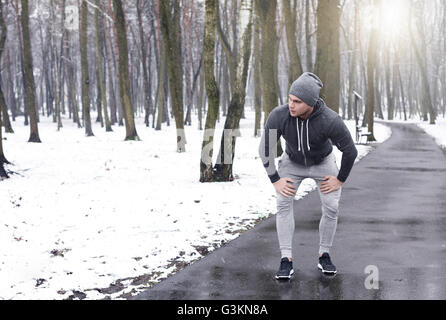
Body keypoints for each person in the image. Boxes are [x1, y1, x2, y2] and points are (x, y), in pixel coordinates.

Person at [258, 72, 358, 279]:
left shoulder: (330, 119)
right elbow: (265, 148)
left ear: (311, 103)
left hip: (323, 162)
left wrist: (340, 179)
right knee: (283, 204)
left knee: (331, 207)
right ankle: (286, 259)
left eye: (297, 101)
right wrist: (275, 179)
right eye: (290, 99)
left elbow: (350, 151)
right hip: (292, 163)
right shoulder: (279, 115)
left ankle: (325, 255)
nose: (291, 105)